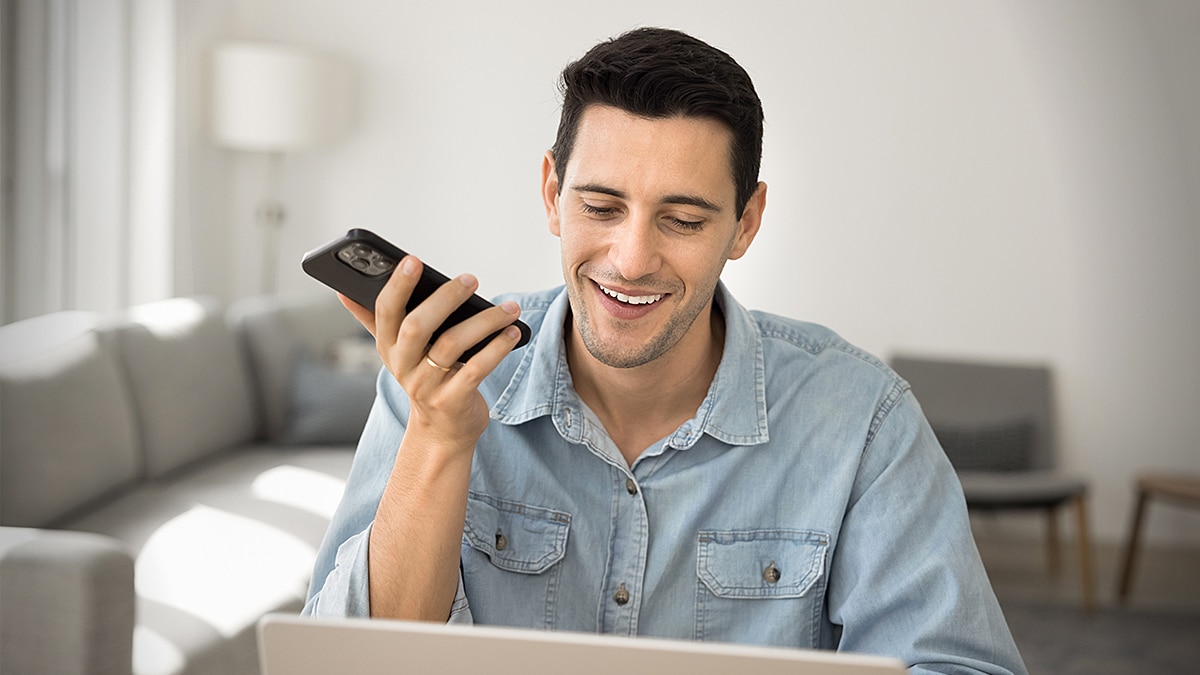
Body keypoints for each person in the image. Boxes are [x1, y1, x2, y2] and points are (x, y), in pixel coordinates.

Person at [303, 27, 1027, 674]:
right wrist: (439, 439)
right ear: (552, 192)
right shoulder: (437, 379)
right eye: (601, 206)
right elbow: (339, 664)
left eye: (681, 219)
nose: (631, 259)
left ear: (745, 223)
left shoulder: (864, 418)